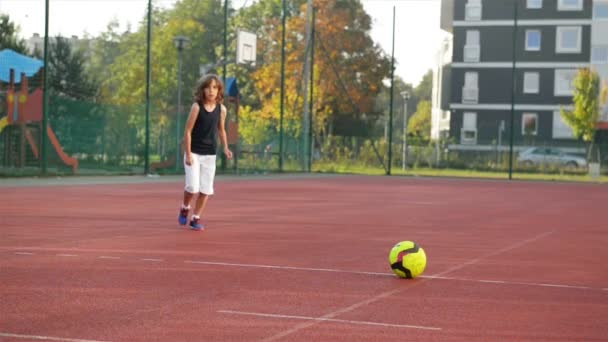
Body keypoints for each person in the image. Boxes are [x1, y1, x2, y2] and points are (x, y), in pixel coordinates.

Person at [178, 74, 233, 230]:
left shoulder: (222, 109)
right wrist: (188, 154)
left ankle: (195, 218)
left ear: (219, 91)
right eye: (208, 87)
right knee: (192, 187)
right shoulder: (197, 107)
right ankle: (185, 207)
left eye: (215, 87)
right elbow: (187, 131)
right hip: (194, 153)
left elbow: (221, 130)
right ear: (202, 90)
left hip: (210, 154)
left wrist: (226, 147)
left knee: (206, 189)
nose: (211, 91)